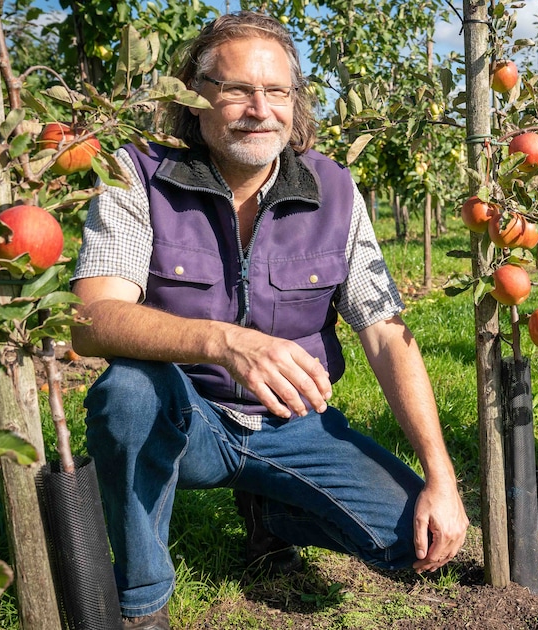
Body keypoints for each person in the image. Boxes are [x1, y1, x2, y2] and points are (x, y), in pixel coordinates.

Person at [69, 12, 468, 629]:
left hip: (290, 423)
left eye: (276, 91)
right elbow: (91, 318)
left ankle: (270, 511)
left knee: (408, 541)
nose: (261, 108)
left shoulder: (334, 189)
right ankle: (143, 596)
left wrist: (442, 478)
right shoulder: (138, 175)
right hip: (187, 416)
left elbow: (386, 331)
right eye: (237, 90)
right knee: (128, 392)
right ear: (196, 97)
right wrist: (224, 343)